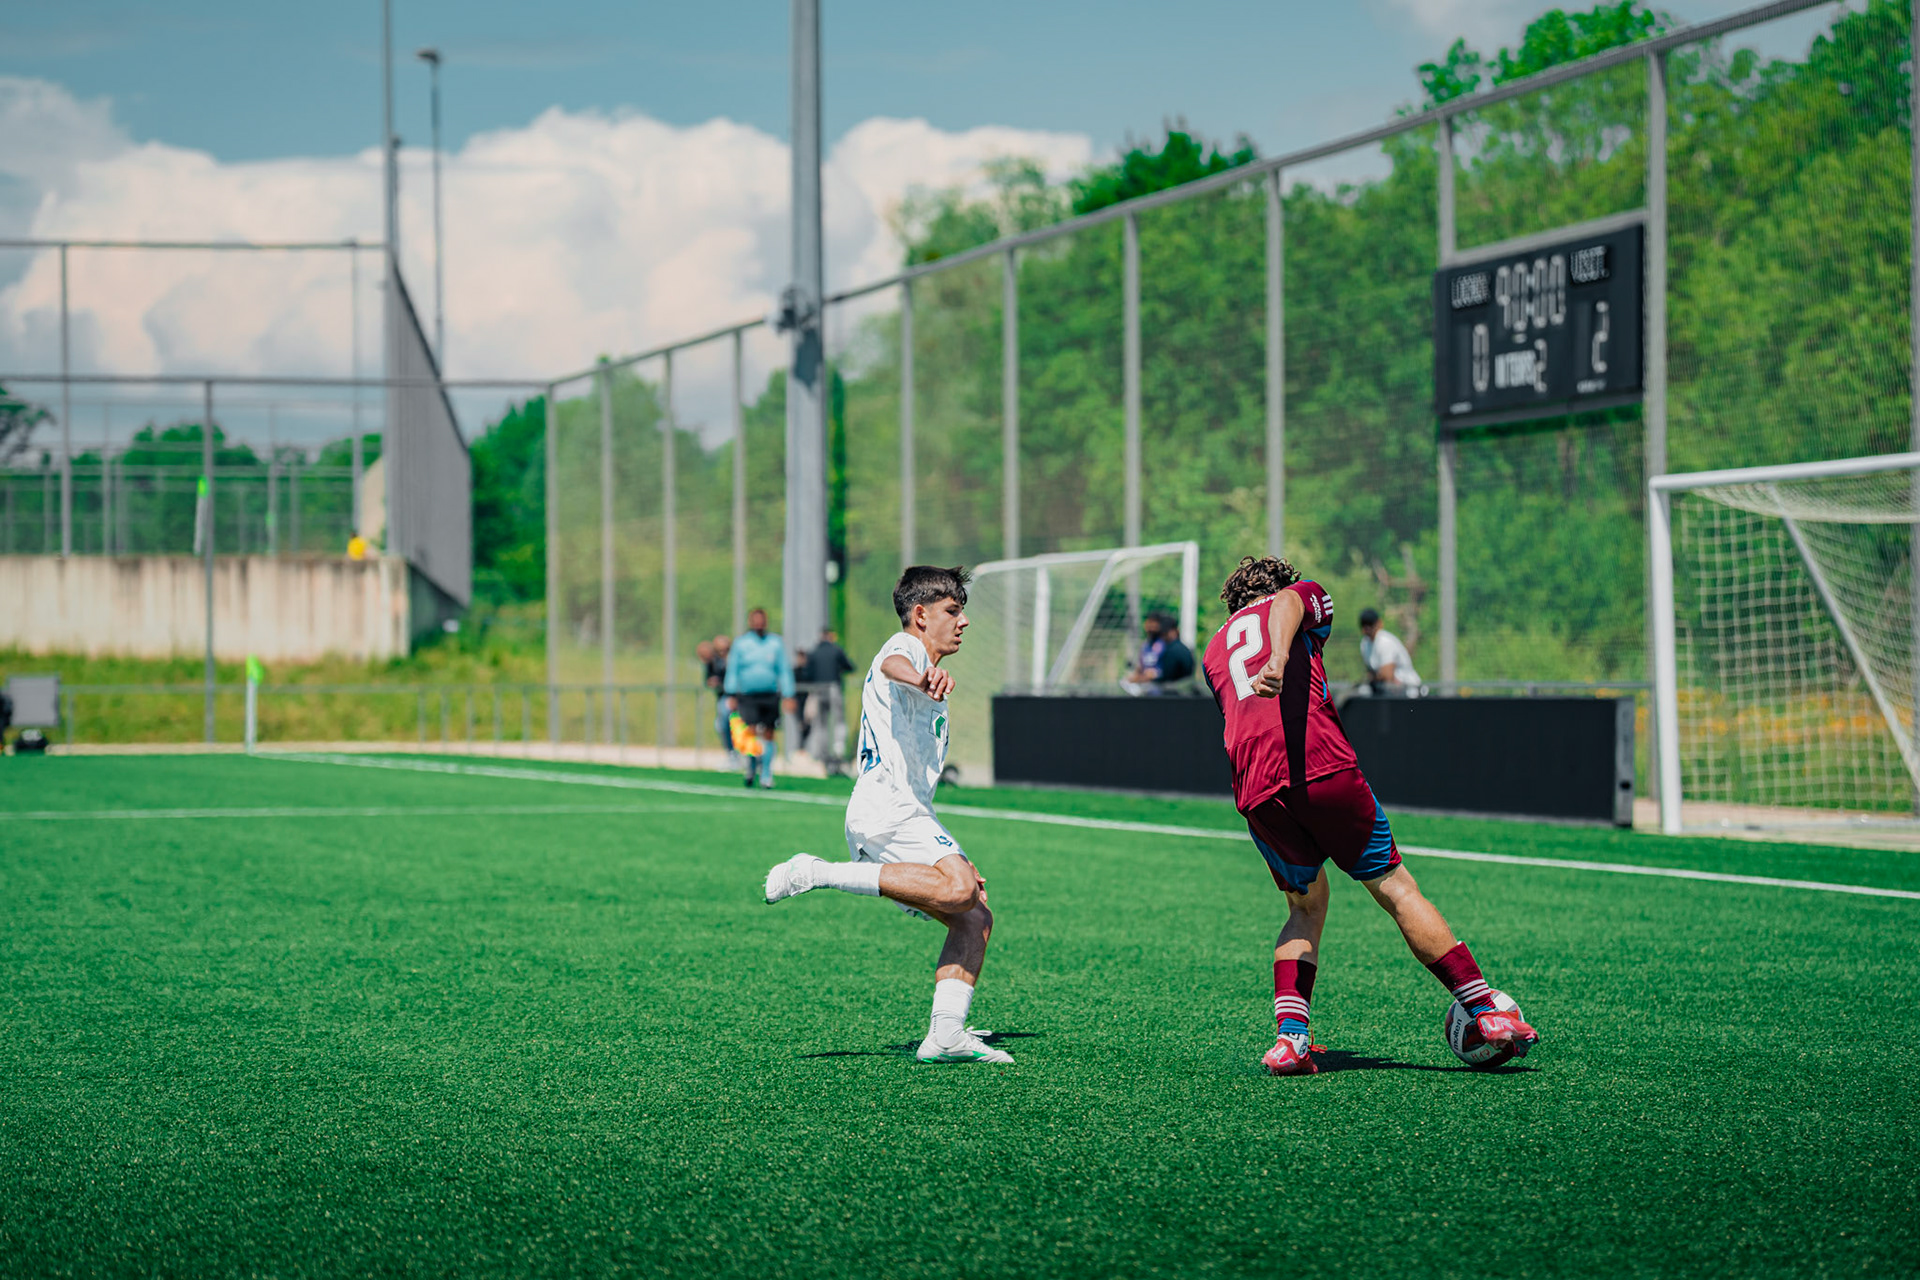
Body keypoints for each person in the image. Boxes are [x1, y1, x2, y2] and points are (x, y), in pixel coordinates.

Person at [1201, 555, 1538, 1076]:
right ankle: (1485, 1010)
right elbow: (1289, 603)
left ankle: (1291, 1041)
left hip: (1256, 788)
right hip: (1319, 766)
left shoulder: (1215, 647)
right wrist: (1280, 658)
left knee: (1304, 909)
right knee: (1397, 889)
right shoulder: (1297, 595)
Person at [762, 566, 1010, 1065]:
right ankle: (818, 871)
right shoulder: (908, 650)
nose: (963, 622)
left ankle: (945, 1035)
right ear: (920, 615)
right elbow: (896, 662)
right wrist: (922, 675)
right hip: (887, 807)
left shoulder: (926, 664)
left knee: (974, 915)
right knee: (961, 890)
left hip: (903, 811)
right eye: (953, 612)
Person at [724, 608, 795, 789]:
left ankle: (766, 773)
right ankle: (751, 767)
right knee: (751, 732)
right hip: (748, 695)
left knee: (769, 733)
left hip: (770, 694)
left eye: (761, 620)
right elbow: (733, 669)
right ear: (750, 622)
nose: (759, 624)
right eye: (755, 620)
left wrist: (789, 694)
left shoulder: (775, 643)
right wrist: (730, 693)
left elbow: (783, 670)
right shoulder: (741, 644)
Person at [802, 627, 856, 774]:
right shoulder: (836, 650)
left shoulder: (813, 652)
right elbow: (849, 666)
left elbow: (807, 673)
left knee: (821, 723)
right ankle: (839, 747)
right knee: (839, 720)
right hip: (833, 687)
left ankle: (822, 752)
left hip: (818, 689)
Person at [1124, 612, 1196, 693]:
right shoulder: (1148, 645)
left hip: (1174, 691)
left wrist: (1144, 678)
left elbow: (1166, 676)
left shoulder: (1171, 649)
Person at [1358, 607, 1422, 696]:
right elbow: (1371, 672)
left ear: (1379, 623)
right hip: (1387, 690)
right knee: (1363, 690)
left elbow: (1388, 676)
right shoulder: (1365, 644)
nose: (1367, 628)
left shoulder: (1384, 641)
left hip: (1408, 690)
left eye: (1370, 624)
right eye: (1364, 625)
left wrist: (1375, 677)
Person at [702, 635, 734, 763]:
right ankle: (732, 754)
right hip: (724, 697)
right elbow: (708, 679)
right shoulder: (713, 662)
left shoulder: (734, 660)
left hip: (739, 698)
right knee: (721, 725)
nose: (722, 653)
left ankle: (752, 757)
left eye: (725, 650)